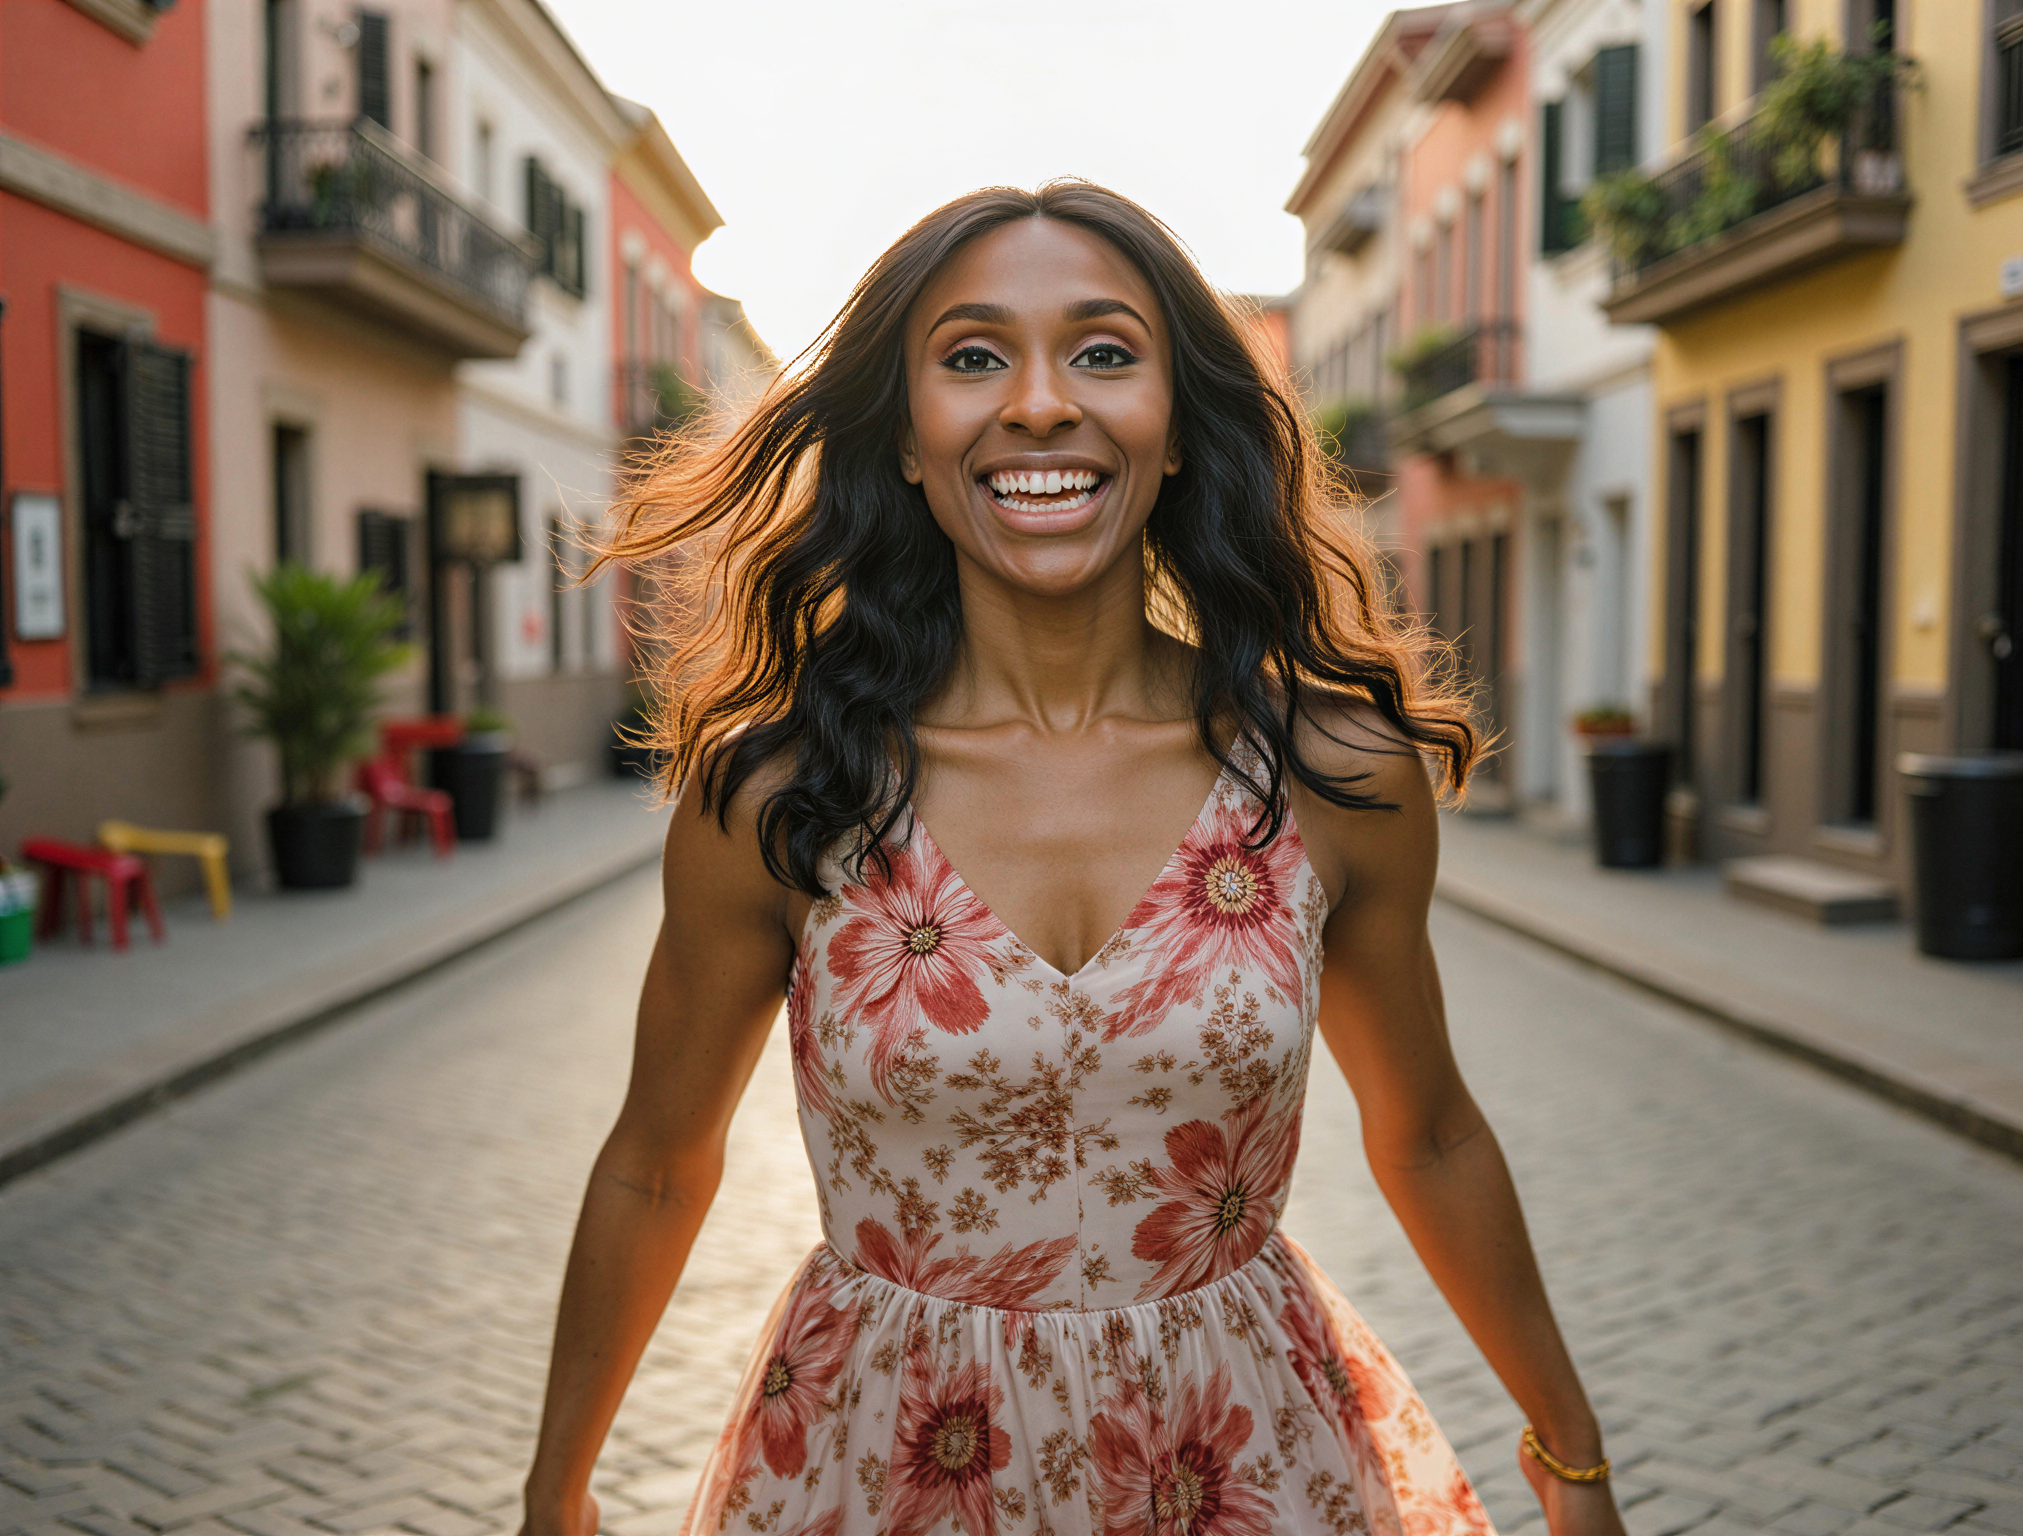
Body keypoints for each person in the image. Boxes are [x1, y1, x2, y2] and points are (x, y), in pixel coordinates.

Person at [518, 180, 1627, 1536]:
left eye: (1104, 351)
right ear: (910, 440)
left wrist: (1571, 1455)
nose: (1041, 402)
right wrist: (554, 1490)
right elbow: (654, 1161)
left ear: (1174, 432)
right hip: (880, 1471)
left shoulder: (1336, 775)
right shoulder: (782, 789)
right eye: (973, 356)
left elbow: (1434, 1131)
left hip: (1236, 1462)